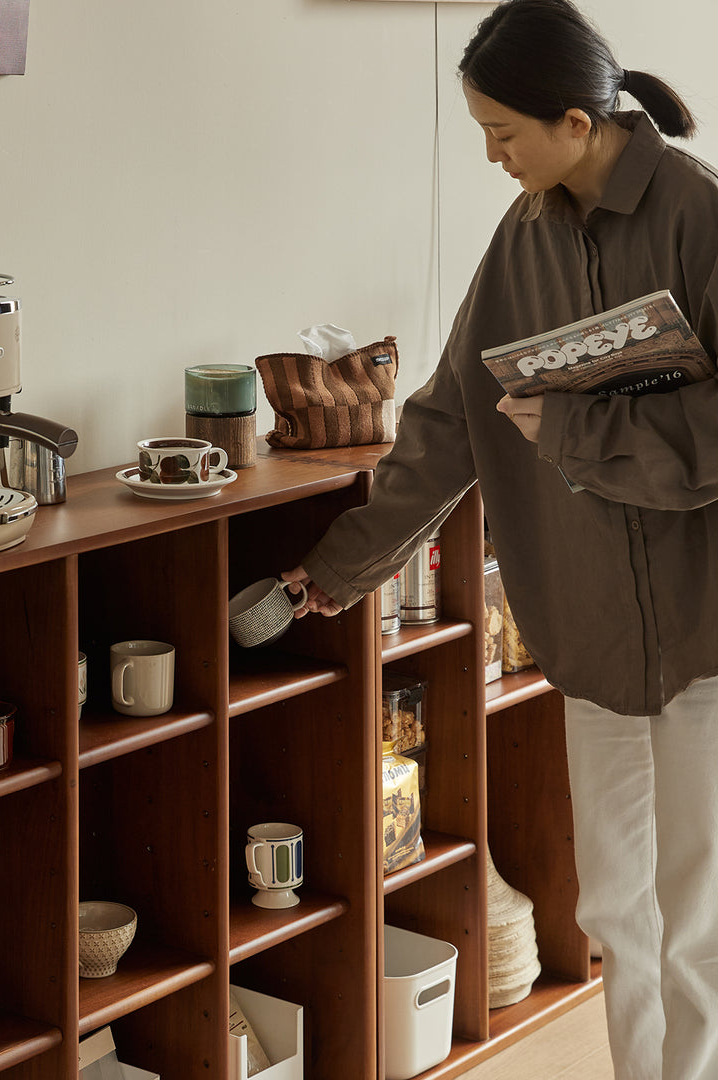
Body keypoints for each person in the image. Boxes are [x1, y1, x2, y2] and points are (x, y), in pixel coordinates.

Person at [281, 1, 718, 1076]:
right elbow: (447, 420)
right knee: (615, 911)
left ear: (578, 120)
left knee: (698, 924)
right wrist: (343, 567)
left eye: (504, 133)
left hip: (710, 630)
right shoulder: (520, 238)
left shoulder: (699, 216)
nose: (491, 155)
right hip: (587, 630)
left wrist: (577, 429)